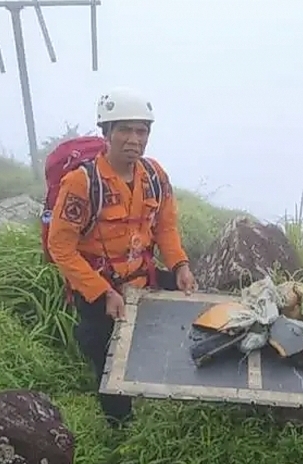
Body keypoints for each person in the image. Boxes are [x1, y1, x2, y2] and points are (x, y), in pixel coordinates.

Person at [47, 87, 196, 428]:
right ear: (107, 133)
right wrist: (102, 292)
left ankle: (166, 401)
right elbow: (61, 248)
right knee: (108, 364)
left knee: (182, 326)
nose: (134, 139)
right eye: (124, 130)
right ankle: (120, 432)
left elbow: (166, 229)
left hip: (143, 280)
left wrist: (180, 266)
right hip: (99, 290)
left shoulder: (155, 176)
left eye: (141, 130)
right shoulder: (81, 183)